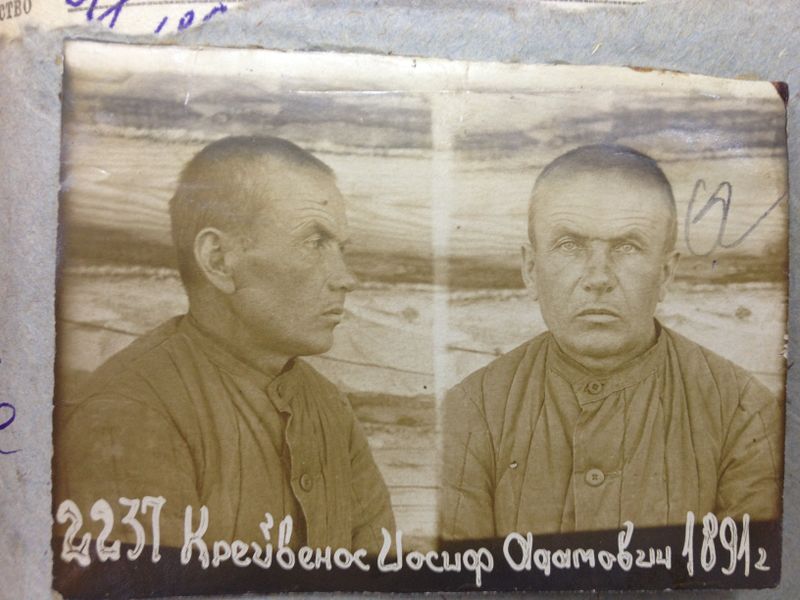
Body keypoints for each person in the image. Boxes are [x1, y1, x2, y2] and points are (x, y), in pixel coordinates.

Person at [54, 136, 395, 553]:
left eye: (340, 249)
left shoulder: (328, 407)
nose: (346, 278)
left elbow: (380, 571)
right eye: (314, 243)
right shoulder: (127, 412)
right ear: (219, 259)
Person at [440, 144, 783, 541]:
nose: (598, 277)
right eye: (570, 246)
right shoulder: (472, 411)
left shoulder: (742, 412)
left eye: (627, 247)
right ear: (531, 270)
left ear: (666, 273)